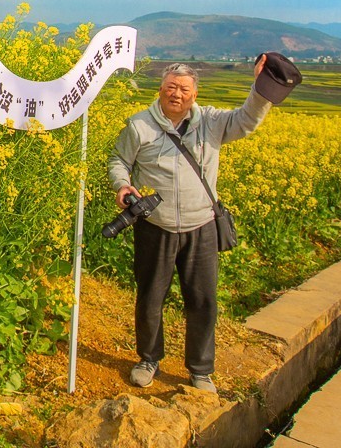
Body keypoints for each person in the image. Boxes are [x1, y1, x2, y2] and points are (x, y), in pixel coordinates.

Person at [107, 56, 270, 394]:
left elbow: (247, 120)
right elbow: (119, 160)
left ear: (195, 94)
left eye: (183, 89)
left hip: (202, 227)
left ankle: (200, 370)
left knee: (203, 300)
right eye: (170, 87)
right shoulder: (140, 126)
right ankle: (149, 359)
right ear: (160, 90)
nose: (176, 94)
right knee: (151, 297)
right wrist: (122, 185)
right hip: (155, 225)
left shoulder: (211, 122)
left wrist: (261, 88)